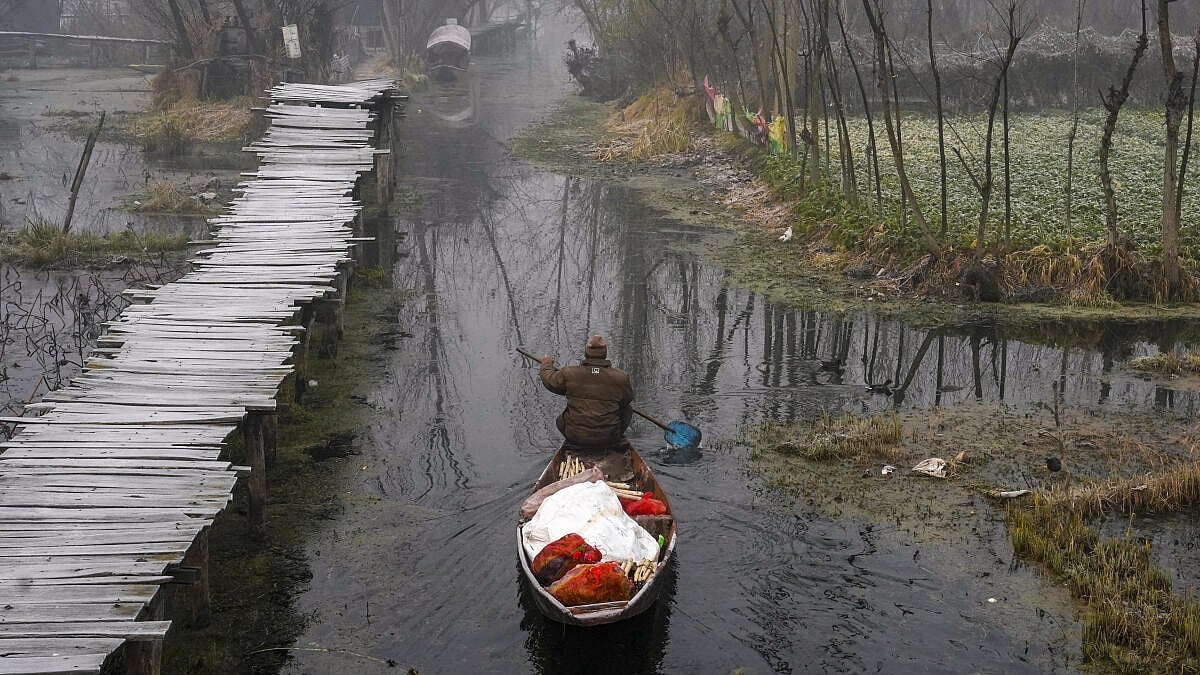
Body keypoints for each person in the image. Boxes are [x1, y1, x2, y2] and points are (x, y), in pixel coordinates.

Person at [539, 335, 633, 449]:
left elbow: (549, 380)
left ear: (586, 352)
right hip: (608, 437)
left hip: (575, 436)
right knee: (627, 409)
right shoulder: (621, 377)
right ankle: (615, 439)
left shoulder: (569, 373)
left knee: (561, 419)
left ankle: (576, 441)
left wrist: (546, 364)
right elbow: (627, 399)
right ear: (605, 353)